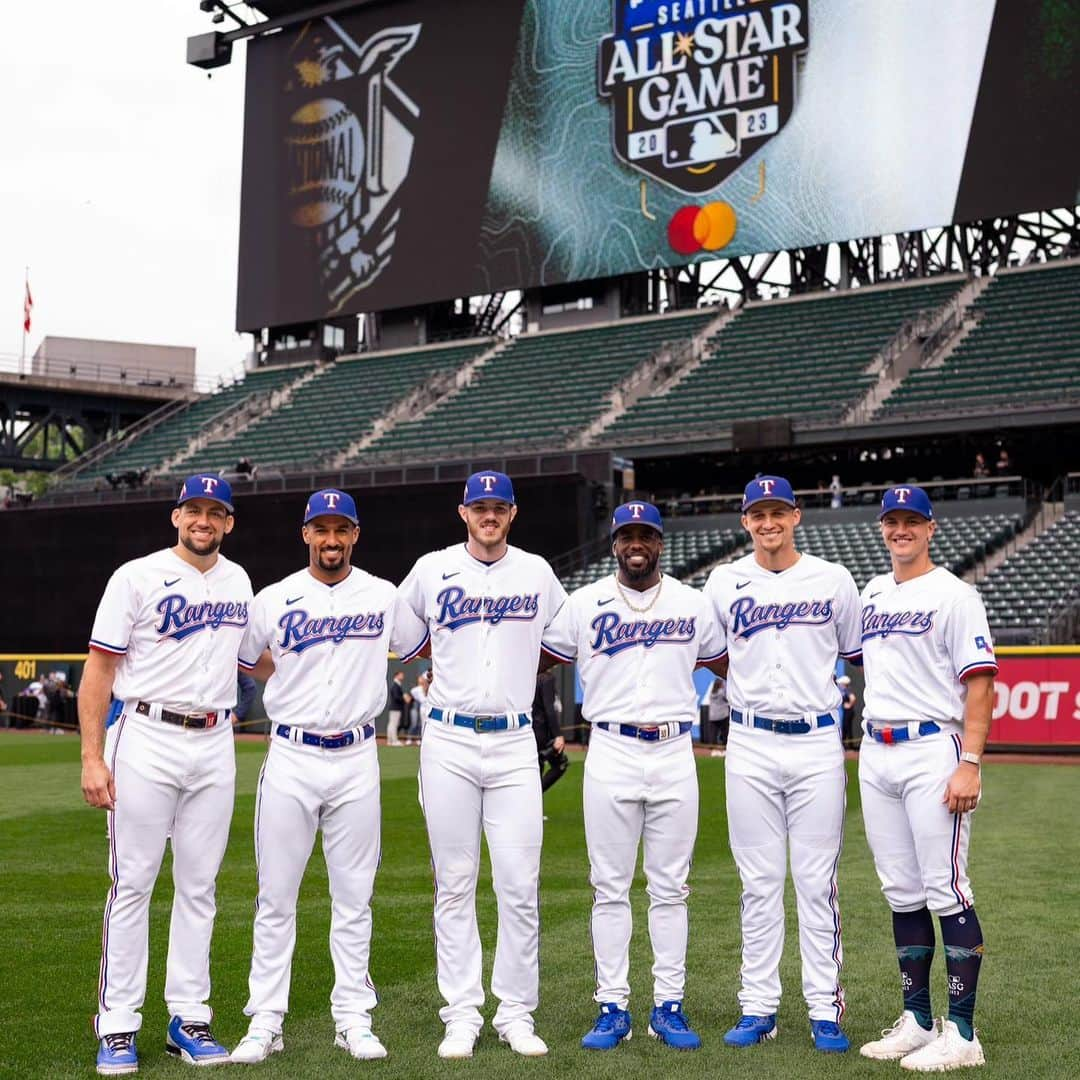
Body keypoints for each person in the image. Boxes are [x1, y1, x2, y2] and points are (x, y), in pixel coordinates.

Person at [229, 489, 428, 1065]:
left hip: (356, 757)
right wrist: (286, 678)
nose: (332, 540)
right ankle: (266, 1020)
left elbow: (417, 646)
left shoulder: (385, 595)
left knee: (354, 897)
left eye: (342, 530)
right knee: (275, 896)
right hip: (291, 754)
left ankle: (353, 1019)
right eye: (322, 529)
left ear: (355, 535)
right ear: (306, 533)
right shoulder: (275, 597)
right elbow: (248, 658)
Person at [78, 474, 253, 1075]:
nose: (204, 520)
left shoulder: (240, 581)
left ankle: (188, 1017)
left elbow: (263, 659)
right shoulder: (136, 576)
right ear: (176, 516)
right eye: (194, 510)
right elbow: (99, 670)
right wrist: (91, 756)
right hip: (147, 735)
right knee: (133, 884)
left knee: (200, 888)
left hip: (215, 741)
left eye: (215, 512)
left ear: (228, 522)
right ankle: (119, 1024)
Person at [542, 501, 726, 1052]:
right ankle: (612, 1005)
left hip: (673, 749)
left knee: (671, 887)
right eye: (627, 536)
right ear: (615, 543)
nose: (636, 544)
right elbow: (537, 659)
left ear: (660, 543)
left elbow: (728, 664)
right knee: (609, 887)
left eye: (646, 535)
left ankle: (668, 1005)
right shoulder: (583, 603)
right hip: (611, 749)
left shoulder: (693, 604)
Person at [397, 471, 566, 1060]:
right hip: (449, 740)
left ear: (513, 513)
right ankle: (461, 1012)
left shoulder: (537, 572)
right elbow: (405, 636)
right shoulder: (431, 568)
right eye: (479, 507)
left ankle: (516, 1012)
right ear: (463, 512)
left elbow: (558, 642)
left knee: (519, 884)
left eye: (498, 507)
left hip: (515, 740)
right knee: (456, 882)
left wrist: (516, 670)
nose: (488, 515)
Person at [703, 475, 862, 1053]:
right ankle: (758, 1007)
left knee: (817, 882)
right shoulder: (724, 581)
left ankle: (824, 1008)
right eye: (757, 514)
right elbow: (714, 653)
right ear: (744, 521)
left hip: (816, 741)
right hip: (749, 743)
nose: (768, 522)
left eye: (777, 512)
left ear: (797, 515)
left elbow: (854, 651)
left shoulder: (833, 579)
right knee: (759, 883)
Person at [857, 486, 996, 1071]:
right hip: (876, 746)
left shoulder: (956, 595)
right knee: (901, 889)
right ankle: (917, 1019)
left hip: (932, 748)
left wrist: (971, 762)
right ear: (884, 528)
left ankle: (962, 1034)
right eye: (893, 521)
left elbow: (981, 683)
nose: (901, 530)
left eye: (912, 521)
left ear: (931, 528)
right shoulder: (872, 590)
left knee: (947, 887)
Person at [531, 670, 567, 793]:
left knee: (536, 771)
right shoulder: (546, 678)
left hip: (529, 730)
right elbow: (549, 708)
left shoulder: (529, 676)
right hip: (542, 731)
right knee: (559, 765)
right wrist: (558, 735)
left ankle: (533, 801)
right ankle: (534, 799)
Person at [704, 674, 730, 755]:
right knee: (725, 732)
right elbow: (728, 699)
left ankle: (712, 750)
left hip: (713, 716)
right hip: (722, 716)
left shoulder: (711, 693)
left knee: (713, 733)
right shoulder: (721, 693)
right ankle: (725, 747)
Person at [407, 669, 431, 743]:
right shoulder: (418, 689)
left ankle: (423, 739)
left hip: (430, 708)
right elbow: (410, 694)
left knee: (428, 725)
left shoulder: (432, 688)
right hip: (422, 708)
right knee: (420, 724)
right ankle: (416, 739)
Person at [386, 671, 408, 746]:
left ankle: (390, 741)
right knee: (393, 724)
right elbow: (396, 697)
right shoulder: (395, 685)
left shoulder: (397, 685)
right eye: (401, 675)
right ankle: (394, 741)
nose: (403, 676)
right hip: (395, 708)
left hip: (395, 708)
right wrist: (404, 698)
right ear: (396, 676)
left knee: (392, 724)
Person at [838, 675, 858, 746]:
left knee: (846, 727)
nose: (840, 685)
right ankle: (849, 745)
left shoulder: (847, 690)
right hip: (847, 712)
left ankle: (847, 745)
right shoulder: (845, 690)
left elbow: (853, 698)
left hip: (849, 712)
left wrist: (849, 704)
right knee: (847, 728)